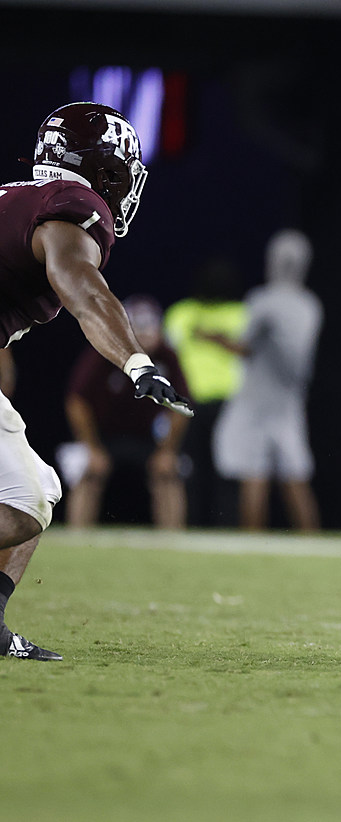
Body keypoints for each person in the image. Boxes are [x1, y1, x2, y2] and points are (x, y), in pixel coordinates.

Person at [0, 102, 192, 661]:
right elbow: (80, 284)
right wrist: (136, 361)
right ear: (105, 173)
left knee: (39, 486)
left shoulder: (18, 198)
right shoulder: (74, 206)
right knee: (26, 503)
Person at [208, 229, 323, 532]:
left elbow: (245, 347)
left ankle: (252, 541)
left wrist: (214, 338)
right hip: (289, 401)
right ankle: (312, 542)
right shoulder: (310, 306)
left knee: (254, 472)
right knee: (294, 475)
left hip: (257, 400)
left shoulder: (263, 301)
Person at [63, 295, 189, 528]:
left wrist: (168, 449)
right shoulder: (103, 351)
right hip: (102, 436)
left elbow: (180, 406)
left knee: (168, 472)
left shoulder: (166, 355)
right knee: (88, 471)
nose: (144, 335)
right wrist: (91, 447)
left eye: (149, 328)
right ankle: (77, 537)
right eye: (138, 328)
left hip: (147, 438)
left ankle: (173, 542)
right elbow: (77, 402)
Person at [162, 258, 247, 528]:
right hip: (188, 403)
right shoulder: (182, 313)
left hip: (230, 404)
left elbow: (250, 351)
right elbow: (167, 356)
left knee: (229, 469)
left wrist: (214, 337)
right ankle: (192, 525)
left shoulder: (241, 313)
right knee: (191, 468)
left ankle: (227, 526)